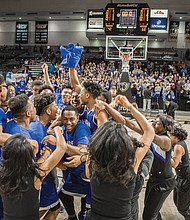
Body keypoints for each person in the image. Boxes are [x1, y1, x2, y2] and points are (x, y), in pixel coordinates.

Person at [85, 95, 155, 220]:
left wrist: (103, 109)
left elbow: (102, 134)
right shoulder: (132, 165)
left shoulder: (92, 163)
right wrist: (129, 107)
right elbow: (149, 131)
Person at [0, 126, 67, 220]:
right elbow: (62, 148)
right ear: (29, 157)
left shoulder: (2, 173)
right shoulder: (35, 175)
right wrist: (57, 130)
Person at [29, 93, 60, 219]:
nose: (57, 108)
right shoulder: (36, 131)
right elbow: (35, 163)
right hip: (39, 179)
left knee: (54, 207)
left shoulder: (43, 126)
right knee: (54, 208)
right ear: (48, 111)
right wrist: (49, 153)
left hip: (45, 178)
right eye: (54, 106)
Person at [169, 123, 190, 219]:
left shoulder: (178, 146)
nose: (169, 136)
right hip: (180, 176)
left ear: (175, 136)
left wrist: (163, 154)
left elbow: (174, 164)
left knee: (182, 208)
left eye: (170, 134)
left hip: (186, 178)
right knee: (176, 202)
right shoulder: (176, 143)